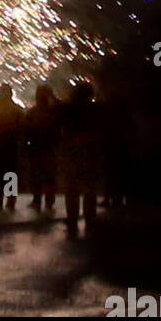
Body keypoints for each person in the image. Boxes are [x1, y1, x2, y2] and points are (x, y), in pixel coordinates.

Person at [61, 80, 103, 235]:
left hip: (73, 152)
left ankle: (72, 218)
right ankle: (89, 218)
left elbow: (62, 127)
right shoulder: (95, 110)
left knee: (72, 188)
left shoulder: (68, 109)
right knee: (89, 188)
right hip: (90, 152)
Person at [0, 84, 25, 212]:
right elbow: (22, 128)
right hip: (11, 145)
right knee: (10, 174)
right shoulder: (16, 109)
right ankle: (10, 200)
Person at [26, 83, 59, 212]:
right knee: (49, 176)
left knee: (36, 175)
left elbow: (26, 129)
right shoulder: (53, 113)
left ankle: (37, 200)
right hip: (49, 148)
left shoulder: (33, 112)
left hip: (36, 148)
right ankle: (48, 201)